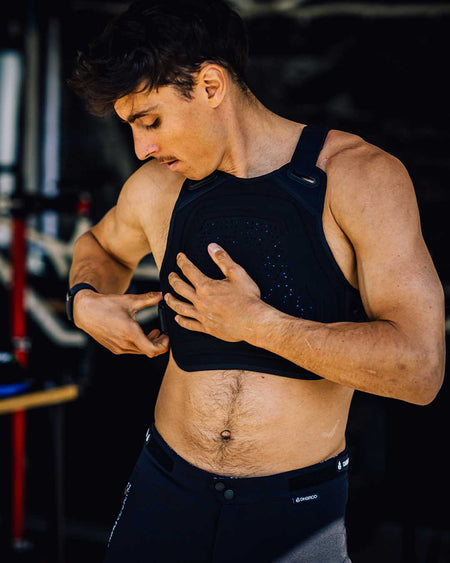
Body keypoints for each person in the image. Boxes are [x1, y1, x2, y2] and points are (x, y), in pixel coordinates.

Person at [67, 1, 446, 561]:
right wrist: (84, 300)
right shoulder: (155, 188)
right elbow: (98, 246)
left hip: (295, 513)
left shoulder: (360, 178)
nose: (141, 148)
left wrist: (258, 324)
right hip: (163, 491)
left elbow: (420, 370)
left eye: (150, 121)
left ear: (210, 85)